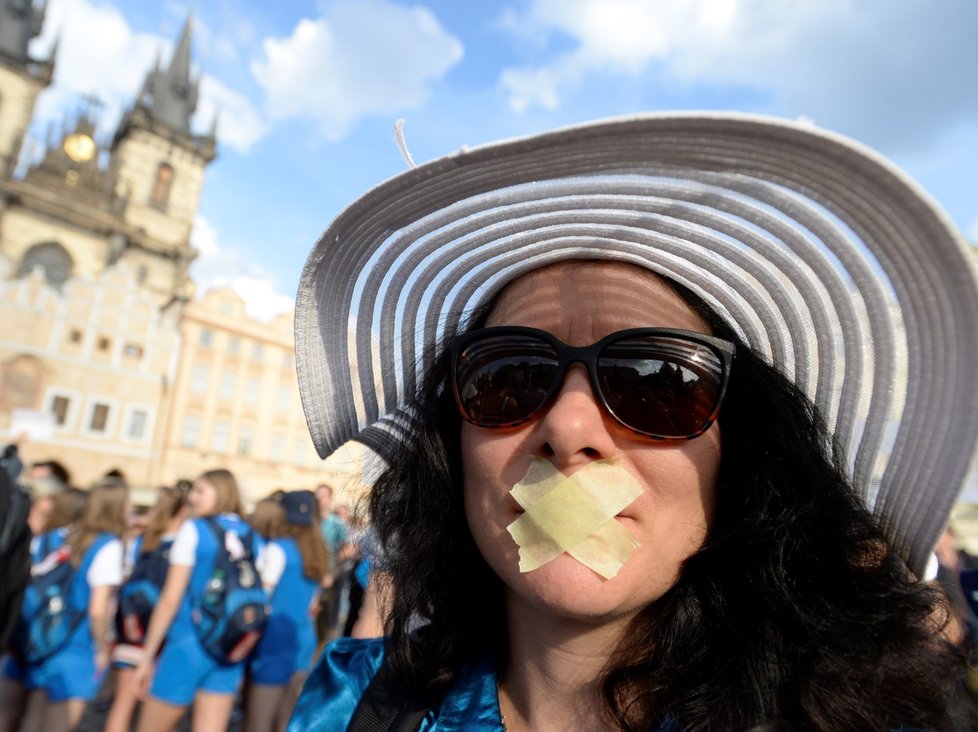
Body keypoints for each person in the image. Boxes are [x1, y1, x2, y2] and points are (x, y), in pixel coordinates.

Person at [285, 114, 978, 731]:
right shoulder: (353, 706)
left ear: (746, 452)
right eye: (507, 377)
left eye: (659, 382)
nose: (569, 424)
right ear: (452, 446)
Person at [131, 468, 263, 732]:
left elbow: (170, 599)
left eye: (201, 491)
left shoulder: (194, 529)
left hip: (188, 641)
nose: (193, 498)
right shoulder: (251, 535)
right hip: (229, 644)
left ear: (221, 493)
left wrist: (146, 657)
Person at [28, 479, 127, 732]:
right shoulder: (107, 545)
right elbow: (98, 608)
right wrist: (103, 647)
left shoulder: (57, 537)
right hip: (76, 645)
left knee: (29, 720)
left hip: (40, 637)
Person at [104, 485, 189, 732]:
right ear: (183, 511)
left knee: (122, 703)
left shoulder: (143, 539)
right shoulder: (184, 542)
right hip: (161, 630)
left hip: (130, 624)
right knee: (155, 708)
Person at [246, 491, 329, 732]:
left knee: (259, 720)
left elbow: (262, 598)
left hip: (275, 639)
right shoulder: (314, 554)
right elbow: (313, 605)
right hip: (303, 638)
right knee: (285, 720)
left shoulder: (277, 549)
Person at [314, 483, 348, 644]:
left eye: (324, 495)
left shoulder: (336, 522)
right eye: (317, 495)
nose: (320, 499)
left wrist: (333, 571)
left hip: (331, 570)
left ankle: (328, 638)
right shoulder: (310, 519)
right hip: (311, 569)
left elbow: (343, 548)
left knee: (330, 607)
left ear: (330, 499)